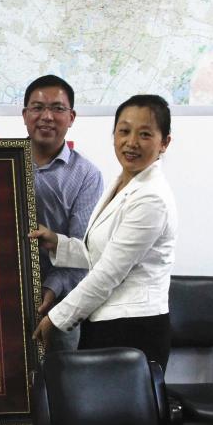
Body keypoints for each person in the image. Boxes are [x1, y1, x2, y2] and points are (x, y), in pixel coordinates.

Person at [30, 94, 177, 368]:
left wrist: (55, 319)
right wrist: (56, 242)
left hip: (134, 329)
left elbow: (108, 273)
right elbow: (99, 253)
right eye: (124, 131)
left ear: (164, 142)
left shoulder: (151, 197)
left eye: (145, 134)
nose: (131, 142)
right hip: (105, 322)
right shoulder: (122, 182)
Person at [0, 75, 104, 352]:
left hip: (57, 306)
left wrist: (50, 289)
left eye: (57, 108)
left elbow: (82, 251)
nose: (47, 116)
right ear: (25, 115)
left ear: (71, 117)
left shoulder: (87, 176)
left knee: (59, 376)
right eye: (37, 108)